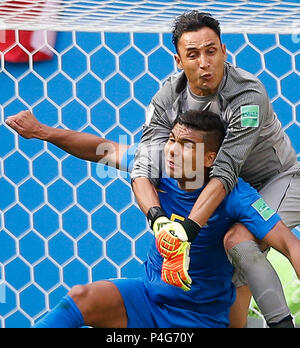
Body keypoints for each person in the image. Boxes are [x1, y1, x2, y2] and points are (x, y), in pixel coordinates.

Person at [12, 110, 298, 329]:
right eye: (172, 139)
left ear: (211, 158)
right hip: (148, 298)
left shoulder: (235, 195)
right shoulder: (158, 164)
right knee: (80, 298)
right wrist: (41, 131)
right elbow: (103, 148)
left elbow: (288, 243)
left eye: (186, 144)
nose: (172, 149)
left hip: (199, 317)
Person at [130, 10, 300, 328]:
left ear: (224, 51)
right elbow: (142, 168)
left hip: (279, 179)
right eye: (193, 54)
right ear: (179, 61)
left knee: (238, 240)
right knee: (227, 265)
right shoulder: (168, 96)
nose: (204, 62)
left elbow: (224, 172)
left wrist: (187, 231)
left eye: (211, 50)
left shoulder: (247, 94)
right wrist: (158, 221)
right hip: (231, 191)